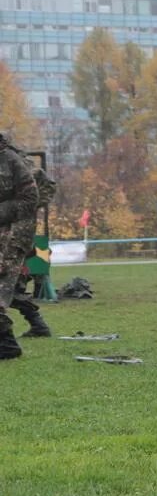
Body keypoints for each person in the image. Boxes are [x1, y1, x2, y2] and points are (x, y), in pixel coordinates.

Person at [0, 130, 38, 360]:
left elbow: (30, 198)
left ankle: (7, 345)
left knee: (2, 286)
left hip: (14, 233)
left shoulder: (10, 160)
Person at [11, 154, 57, 338]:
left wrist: (31, 205)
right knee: (11, 287)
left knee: (10, 287)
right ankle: (38, 325)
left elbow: (46, 184)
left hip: (15, 237)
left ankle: (37, 325)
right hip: (14, 236)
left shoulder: (19, 168)